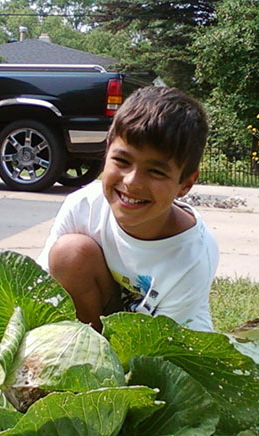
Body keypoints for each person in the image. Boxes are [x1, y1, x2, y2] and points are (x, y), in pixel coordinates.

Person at [37, 85, 219, 333]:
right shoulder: (83, 207)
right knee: (69, 252)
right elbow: (42, 290)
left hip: (168, 336)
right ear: (106, 151)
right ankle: (91, 345)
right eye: (122, 161)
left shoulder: (194, 255)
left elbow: (162, 345)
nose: (132, 181)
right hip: (102, 317)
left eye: (155, 171)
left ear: (185, 184)